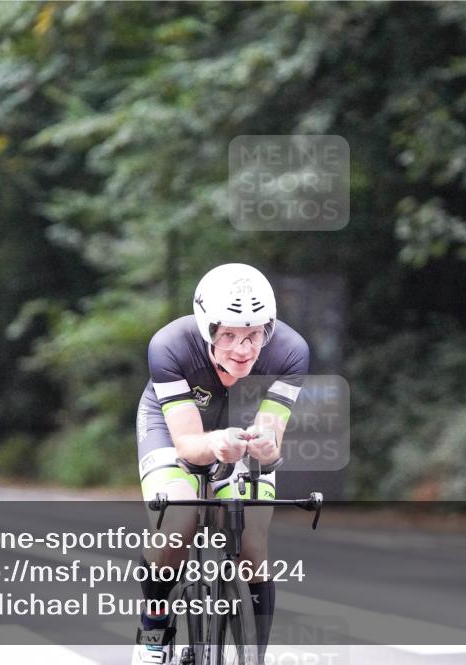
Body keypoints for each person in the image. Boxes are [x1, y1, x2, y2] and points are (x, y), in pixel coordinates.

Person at [132, 263, 310, 665]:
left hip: (241, 428)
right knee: (178, 525)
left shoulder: (291, 351)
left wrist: (264, 447)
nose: (243, 349)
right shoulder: (170, 346)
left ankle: (254, 656)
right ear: (205, 327)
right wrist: (214, 444)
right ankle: (154, 631)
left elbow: (270, 442)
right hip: (176, 425)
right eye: (228, 335)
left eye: (253, 335)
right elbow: (190, 445)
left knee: (252, 543)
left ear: (270, 327)